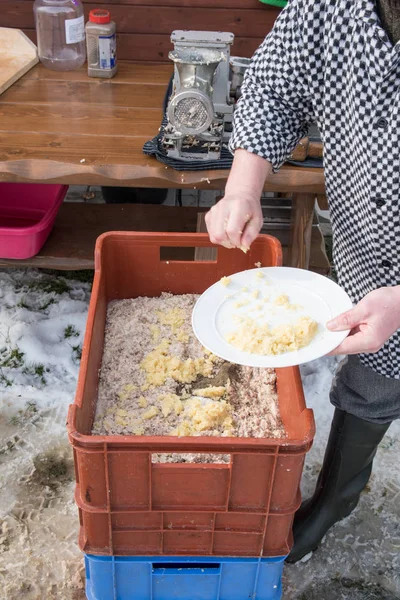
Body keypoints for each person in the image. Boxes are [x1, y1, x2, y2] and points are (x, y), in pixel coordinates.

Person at [205, 0, 400, 563]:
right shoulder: (327, 8)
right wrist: (243, 186)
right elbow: (273, 87)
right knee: (376, 379)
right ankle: (335, 501)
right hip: (369, 257)